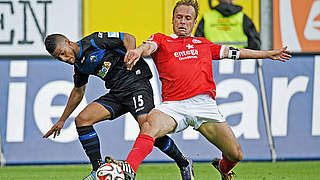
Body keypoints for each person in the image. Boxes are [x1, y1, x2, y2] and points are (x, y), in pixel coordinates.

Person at [110, 0, 291, 180]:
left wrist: (268, 54)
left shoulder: (203, 44)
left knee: (236, 155)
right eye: (179, 17)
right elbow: (148, 47)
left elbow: (236, 52)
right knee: (149, 125)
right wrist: (138, 50)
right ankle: (129, 170)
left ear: (194, 23)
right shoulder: (161, 40)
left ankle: (223, 169)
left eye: (188, 18)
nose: (183, 21)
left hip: (204, 106)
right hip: (173, 106)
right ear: (172, 20)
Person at [42, 32, 194, 180]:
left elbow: (128, 37)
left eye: (63, 53)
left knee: (148, 127)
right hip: (117, 93)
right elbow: (78, 91)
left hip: (136, 83)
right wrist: (62, 120)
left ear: (68, 42)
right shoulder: (79, 66)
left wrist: (130, 53)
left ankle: (184, 162)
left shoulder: (94, 41)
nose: (64, 58)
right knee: (82, 120)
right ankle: (98, 169)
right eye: (59, 58)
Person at [195, 0, 260, 50]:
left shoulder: (207, 17)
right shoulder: (243, 17)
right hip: (239, 62)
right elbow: (255, 44)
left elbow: (197, 43)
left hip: (213, 62)